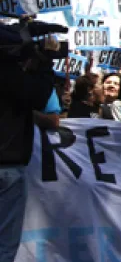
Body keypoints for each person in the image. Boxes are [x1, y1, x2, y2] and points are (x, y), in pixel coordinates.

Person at [0, 22, 62, 261]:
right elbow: (38, 96)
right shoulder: (8, 73)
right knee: (4, 245)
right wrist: (45, 63)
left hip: (9, 166)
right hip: (7, 167)